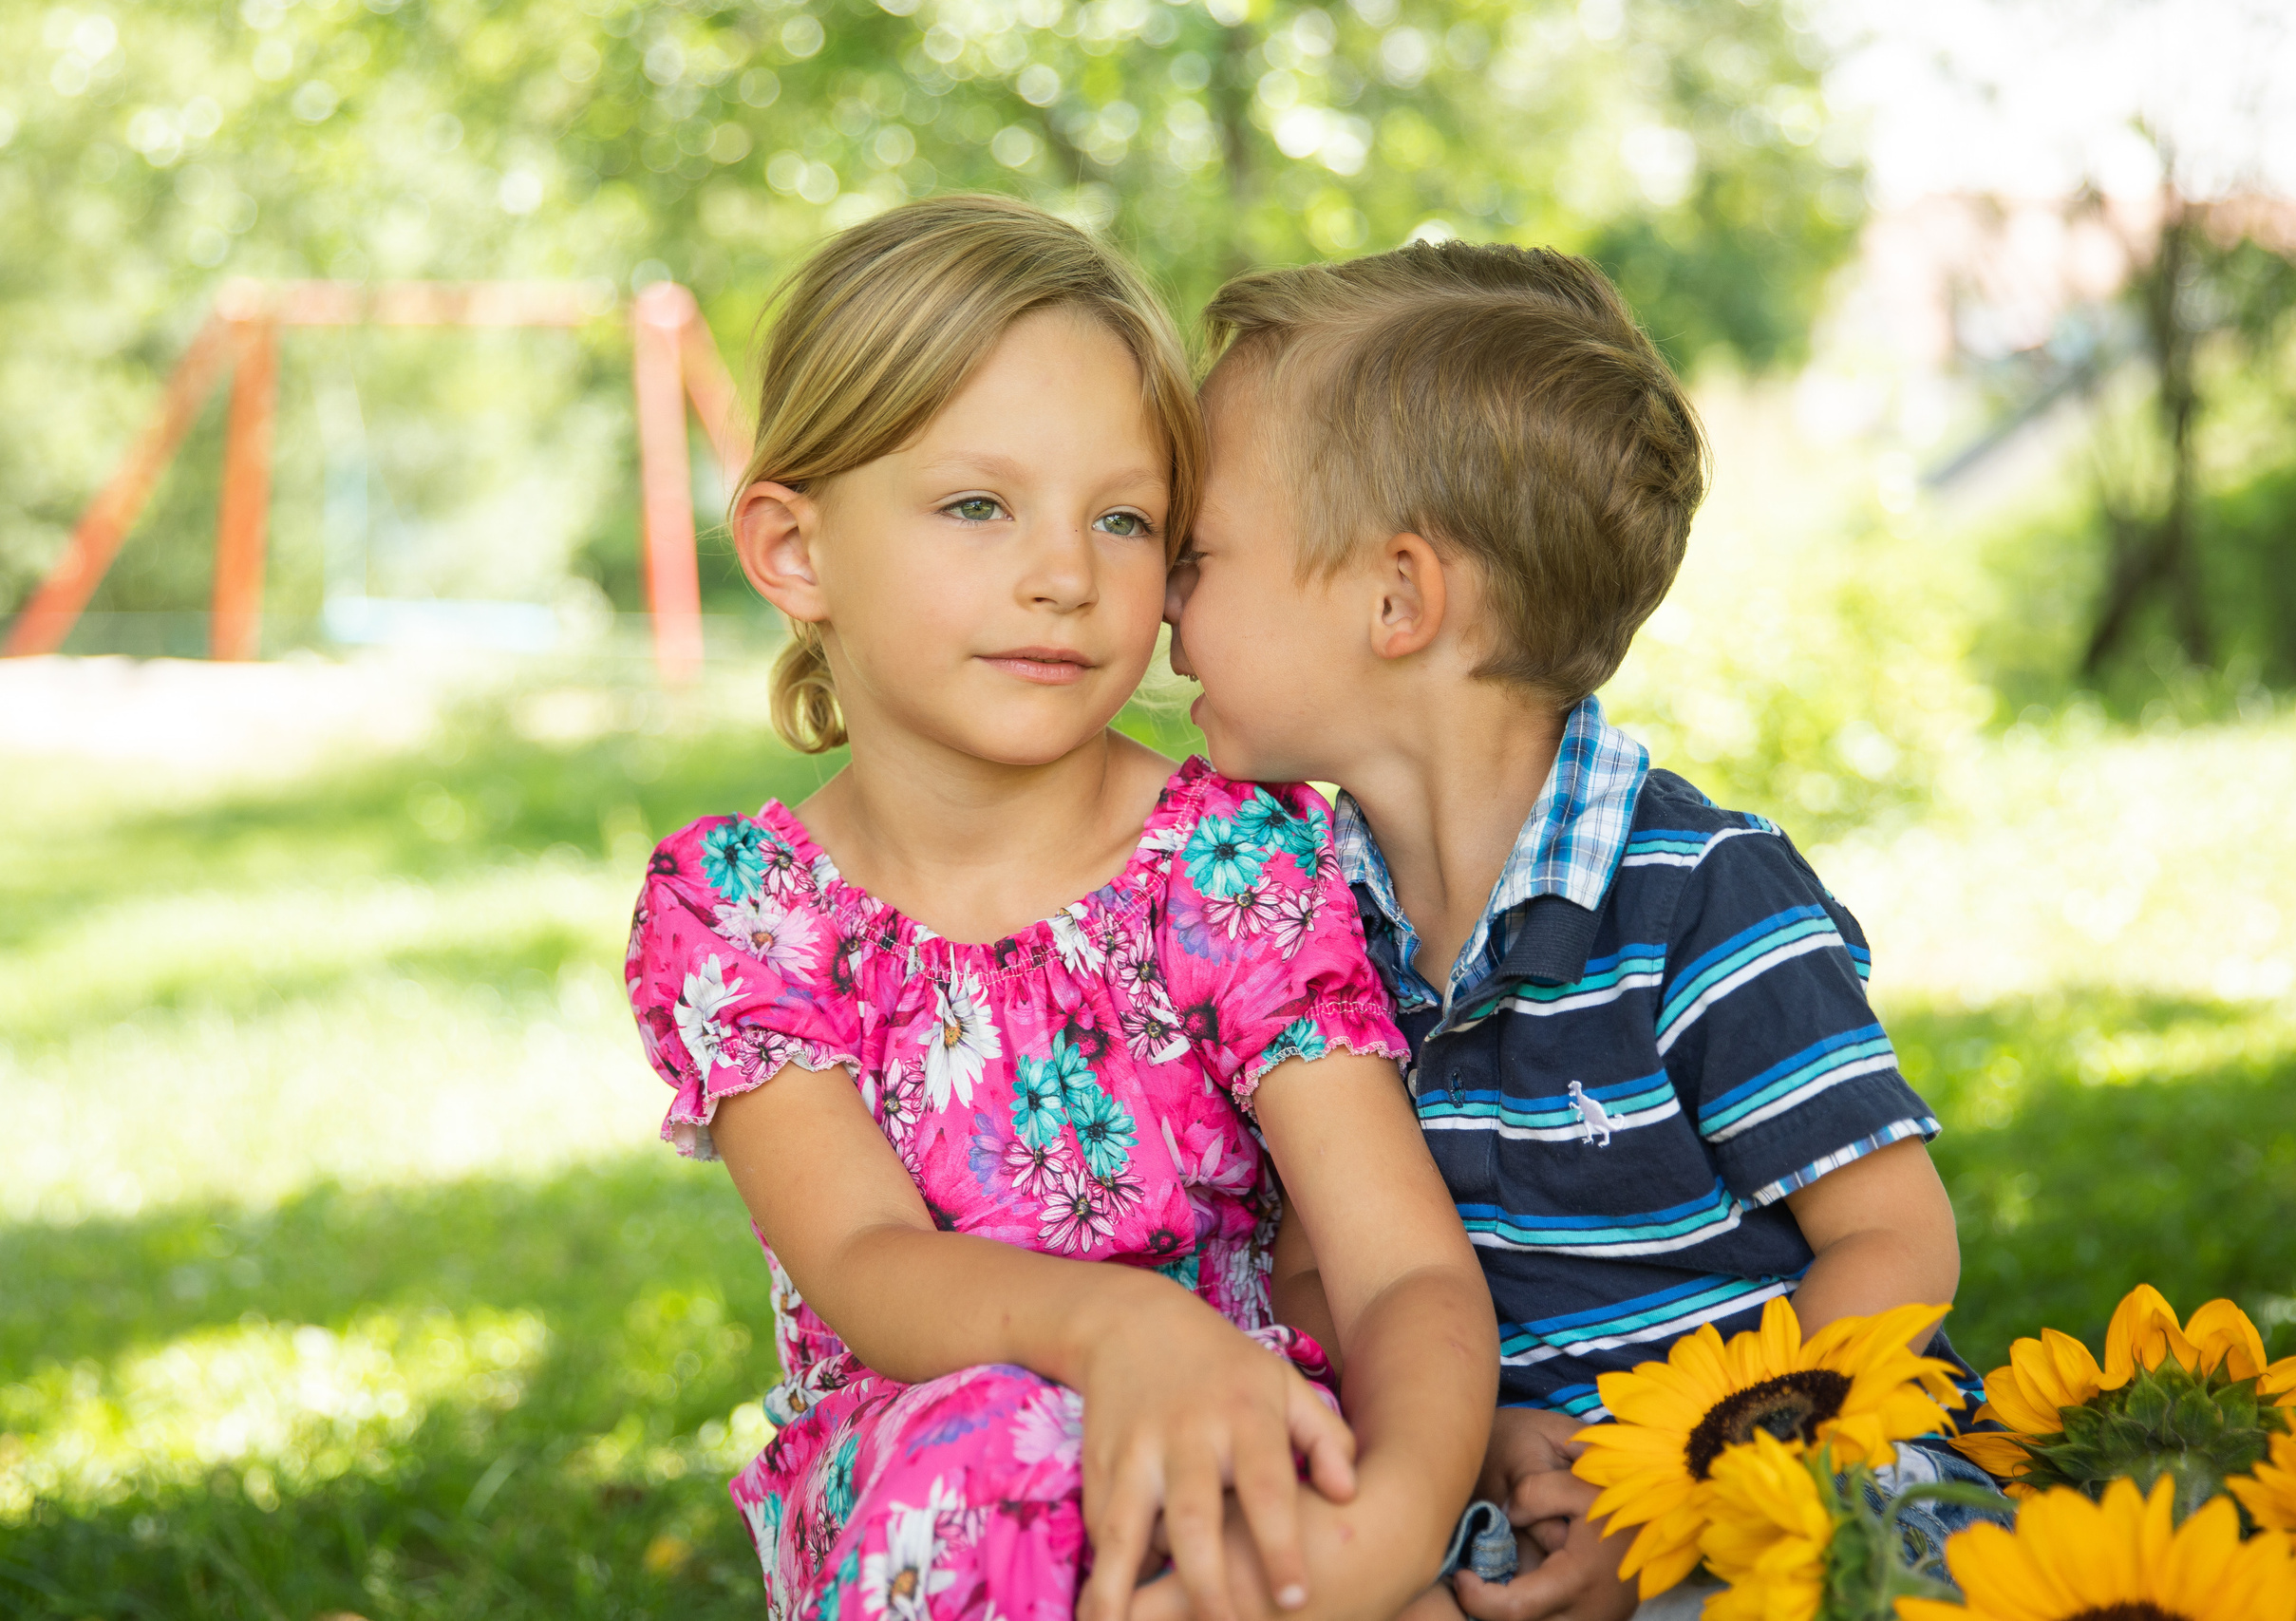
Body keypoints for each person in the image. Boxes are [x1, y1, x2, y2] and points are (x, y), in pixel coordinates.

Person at [622, 196, 1495, 1621]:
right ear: (795, 549)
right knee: (996, 1450)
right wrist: (1119, 1329)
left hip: (1243, 1456)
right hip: (937, 1491)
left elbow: (1399, 1268)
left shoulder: (1230, 866)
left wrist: (1395, 1529)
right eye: (978, 505)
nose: (1066, 576)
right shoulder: (746, 912)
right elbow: (863, 1262)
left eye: (1125, 519)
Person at [1163, 241, 1985, 1621]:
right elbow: (1314, 1276)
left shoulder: (1700, 897)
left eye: (1197, 554)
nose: (1162, 602)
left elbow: (1895, 1247)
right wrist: (1473, 1433)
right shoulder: (1301, 921)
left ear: (1397, 599)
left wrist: (1684, 1493)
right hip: (1513, 1506)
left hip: (1812, 1488)